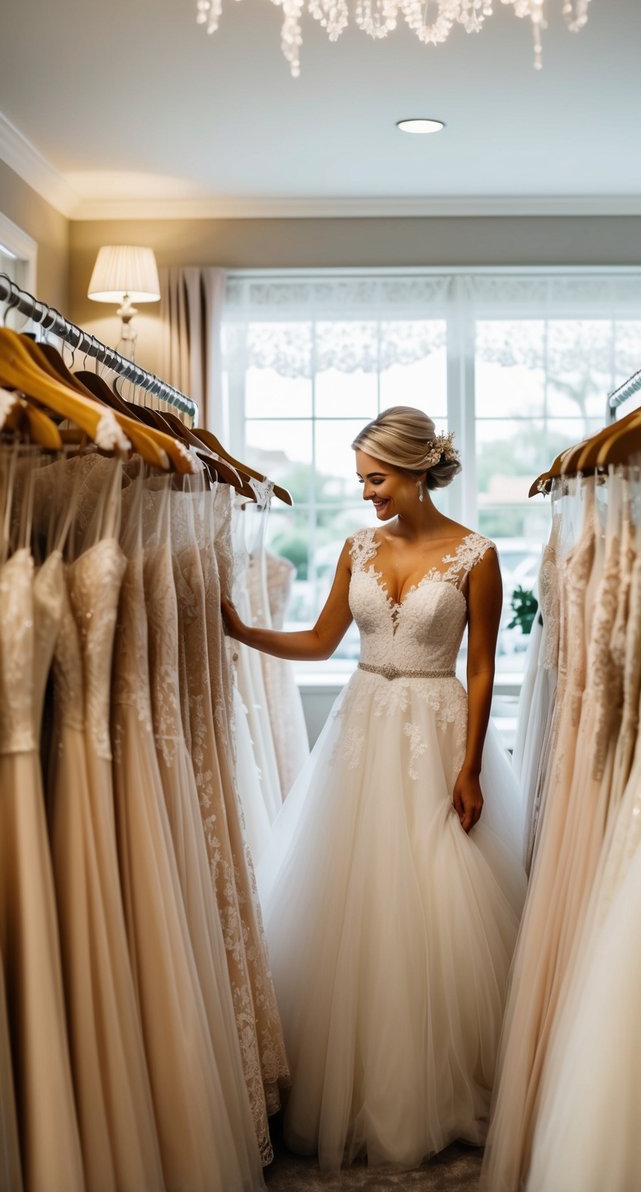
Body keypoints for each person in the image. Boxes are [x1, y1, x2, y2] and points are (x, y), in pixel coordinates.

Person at [221, 406, 527, 1173]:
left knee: (434, 900)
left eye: (377, 478)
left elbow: (483, 665)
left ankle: (444, 1087)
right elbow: (322, 640)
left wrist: (471, 766)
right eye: (360, 480)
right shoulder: (356, 547)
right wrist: (243, 631)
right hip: (361, 727)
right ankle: (350, 1083)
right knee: (351, 898)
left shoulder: (476, 555)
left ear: (418, 469)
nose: (366, 495)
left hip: (435, 726)